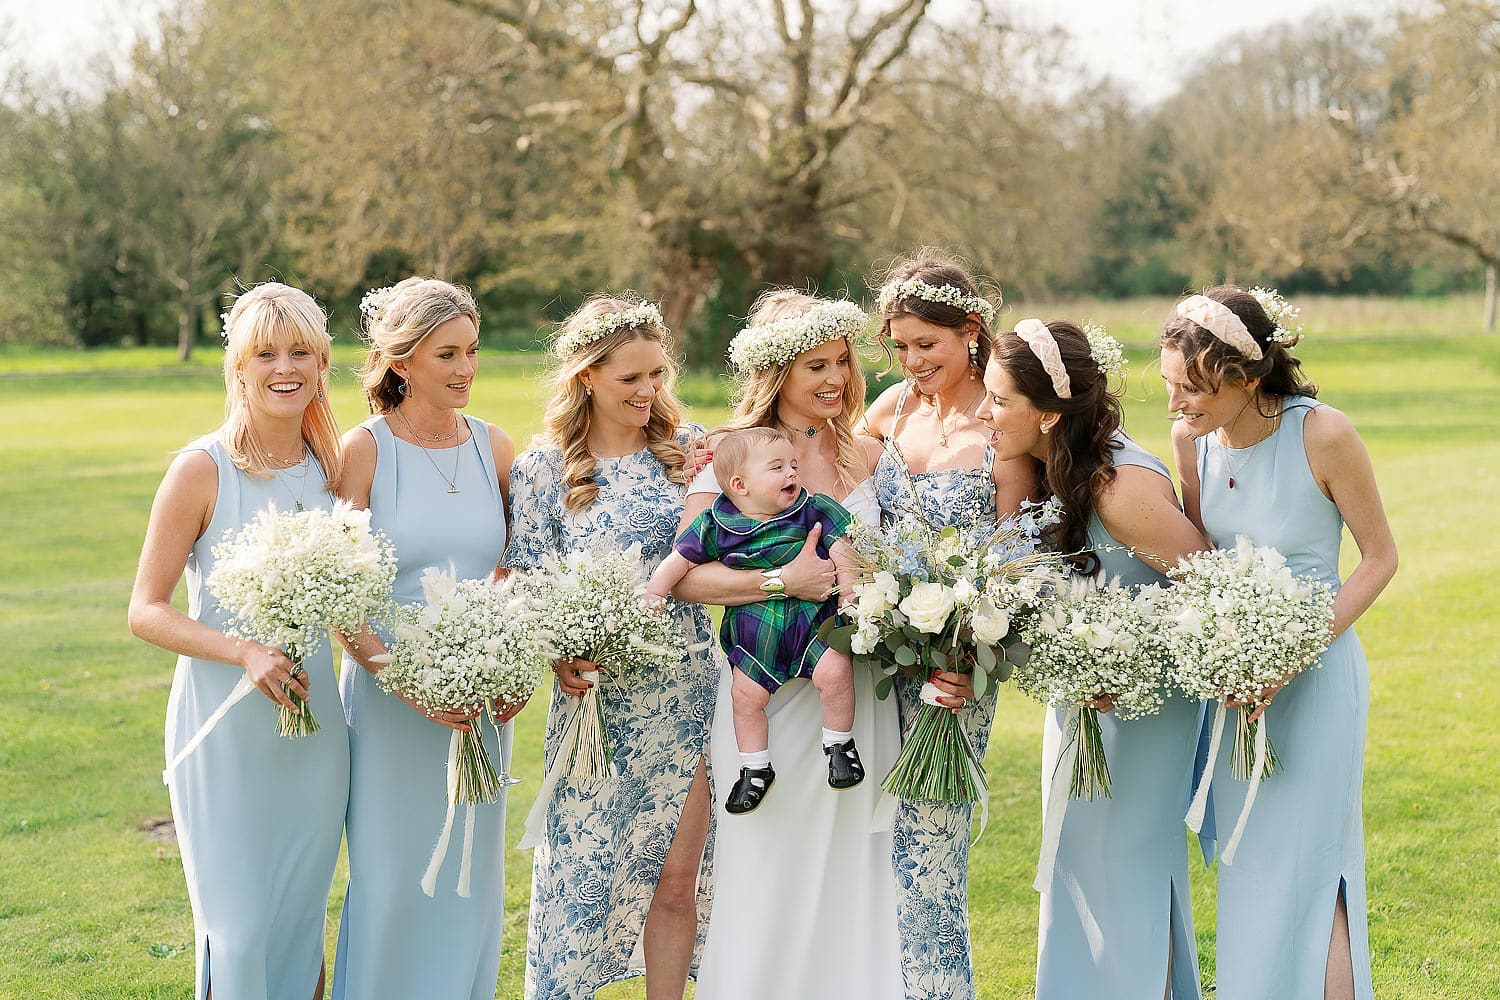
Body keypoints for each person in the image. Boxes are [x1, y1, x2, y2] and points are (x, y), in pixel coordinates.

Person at [1161, 286, 1396, 1000]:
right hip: (1235, 686)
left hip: (1316, 681)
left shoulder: (1323, 434)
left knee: (1314, 869)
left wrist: (1292, 655)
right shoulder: (1189, 442)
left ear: (1248, 377)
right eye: (1171, 387)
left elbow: (1380, 558)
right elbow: (1202, 566)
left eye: (1193, 391)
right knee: (1251, 870)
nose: (1177, 407)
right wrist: (1223, 652)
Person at [674, 289, 905, 1000]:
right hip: (765, 699)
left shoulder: (870, 452)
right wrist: (786, 583)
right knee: (767, 859)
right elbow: (689, 578)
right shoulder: (728, 457)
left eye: (841, 362)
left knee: (854, 865)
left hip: (853, 691)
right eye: (816, 366)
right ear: (778, 370)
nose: (836, 379)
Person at [128, 281, 348, 1000]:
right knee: (241, 932)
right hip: (223, 730)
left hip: (314, 734)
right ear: (237, 367)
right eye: (264, 353)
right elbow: (146, 610)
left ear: (320, 363)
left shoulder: (335, 470)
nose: (283, 368)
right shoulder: (201, 468)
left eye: (300, 352)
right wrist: (244, 650)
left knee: (297, 922)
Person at [979, 317, 1208, 1000]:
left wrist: (1121, 658)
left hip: (1144, 709)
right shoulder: (1041, 468)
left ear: (1049, 414)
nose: (985, 412)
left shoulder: (1120, 488)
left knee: (1129, 872)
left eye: (999, 401)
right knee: (1080, 866)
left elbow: (1215, 596)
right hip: (1078, 702)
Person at [504, 296, 717, 1000]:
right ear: (588, 376)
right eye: (631, 377)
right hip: (594, 708)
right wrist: (559, 651)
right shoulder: (542, 470)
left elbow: (728, 555)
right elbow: (529, 579)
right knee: (579, 883)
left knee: (678, 881)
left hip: (685, 697)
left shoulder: (690, 451)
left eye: (657, 373)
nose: (649, 390)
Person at [330, 278, 520, 999]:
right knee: (390, 879)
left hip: (481, 700)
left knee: (472, 876)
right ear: (401, 361)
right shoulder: (364, 451)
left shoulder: (494, 446)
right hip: (388, 701)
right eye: (448, 354)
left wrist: (509, 664)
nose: (467, 368)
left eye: (472, 351)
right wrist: (405, 681)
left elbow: (515, 567)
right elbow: (340, 595)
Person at [863, 250, 1038, 999]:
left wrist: (969, 650)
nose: (911, 360)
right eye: (899, 346)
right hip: (879, 659)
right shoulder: (887, 411)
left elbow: (1016, 560)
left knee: (931, 853)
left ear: (970, 331)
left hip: (957, 669)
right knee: (872, 857)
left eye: (925, 344)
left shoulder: (1001, 429)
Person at [648, 426, 864, 814]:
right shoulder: (718, 523)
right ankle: (755, 768)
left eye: (794, 465)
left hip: (812, 624)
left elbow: (843, 547)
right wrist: (655, 591)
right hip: (756, 634)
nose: (792, 474)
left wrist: (848, 591)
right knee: (745, 697)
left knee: (835, 673)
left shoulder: (812, 509)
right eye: (778, 467)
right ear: (740, 484)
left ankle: (840, 744)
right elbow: (680, 559)